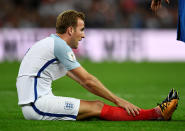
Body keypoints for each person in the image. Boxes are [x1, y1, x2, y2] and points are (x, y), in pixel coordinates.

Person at [16, 10, 179, 121]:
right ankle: (156, 114)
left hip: (32, 104)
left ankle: (157, 113)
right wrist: (118, 100)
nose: (84, 35)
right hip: (37, 105)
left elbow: (81, 81)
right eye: (82, 29)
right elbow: (87, 80)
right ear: (70, 30)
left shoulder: (48, 43)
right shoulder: (59, 46)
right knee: (96, 107)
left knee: (93, 109)